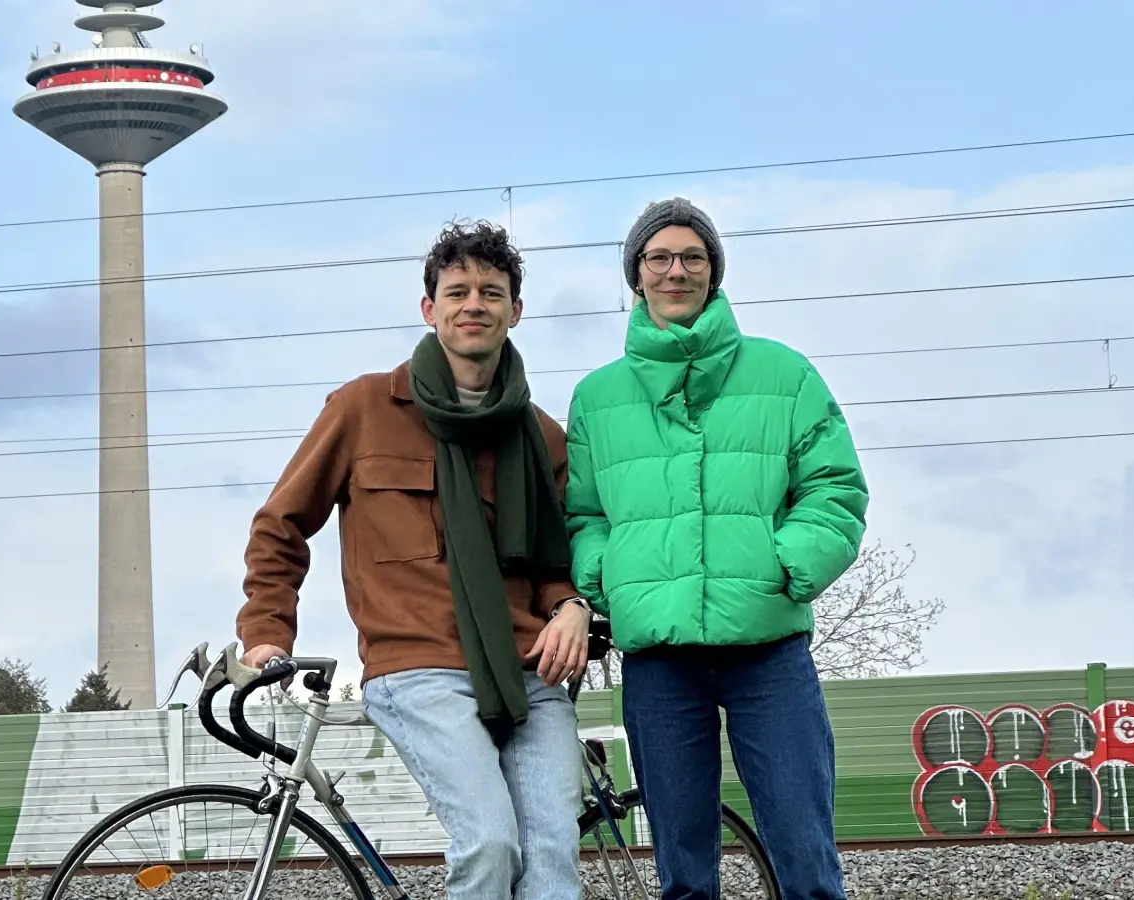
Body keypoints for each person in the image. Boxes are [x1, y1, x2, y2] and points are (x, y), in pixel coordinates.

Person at [237, 220, 591, 900]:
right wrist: (267, 630)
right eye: (457, 292)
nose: (474, 305)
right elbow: (281, 523)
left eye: (491, 292)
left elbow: (557, 564)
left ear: (516, 310)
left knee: (551, 857)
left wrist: (572, 606)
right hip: (417, 666)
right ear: (430, 309)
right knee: (489, 843)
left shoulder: (541, 437)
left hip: (529, 671)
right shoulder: (364, 408)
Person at [564, 197, 868, 900]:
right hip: (659, 659)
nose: (676, 270)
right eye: (659, 257)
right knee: (684, 872)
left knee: (806, 858)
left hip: (768, 650)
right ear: (636, 274)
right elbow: (583, 515)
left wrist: (785, 566)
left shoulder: (784, 375)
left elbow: (835, 490)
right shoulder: (596, 399)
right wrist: (610, 579)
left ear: (714, 270)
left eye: (692, 256)